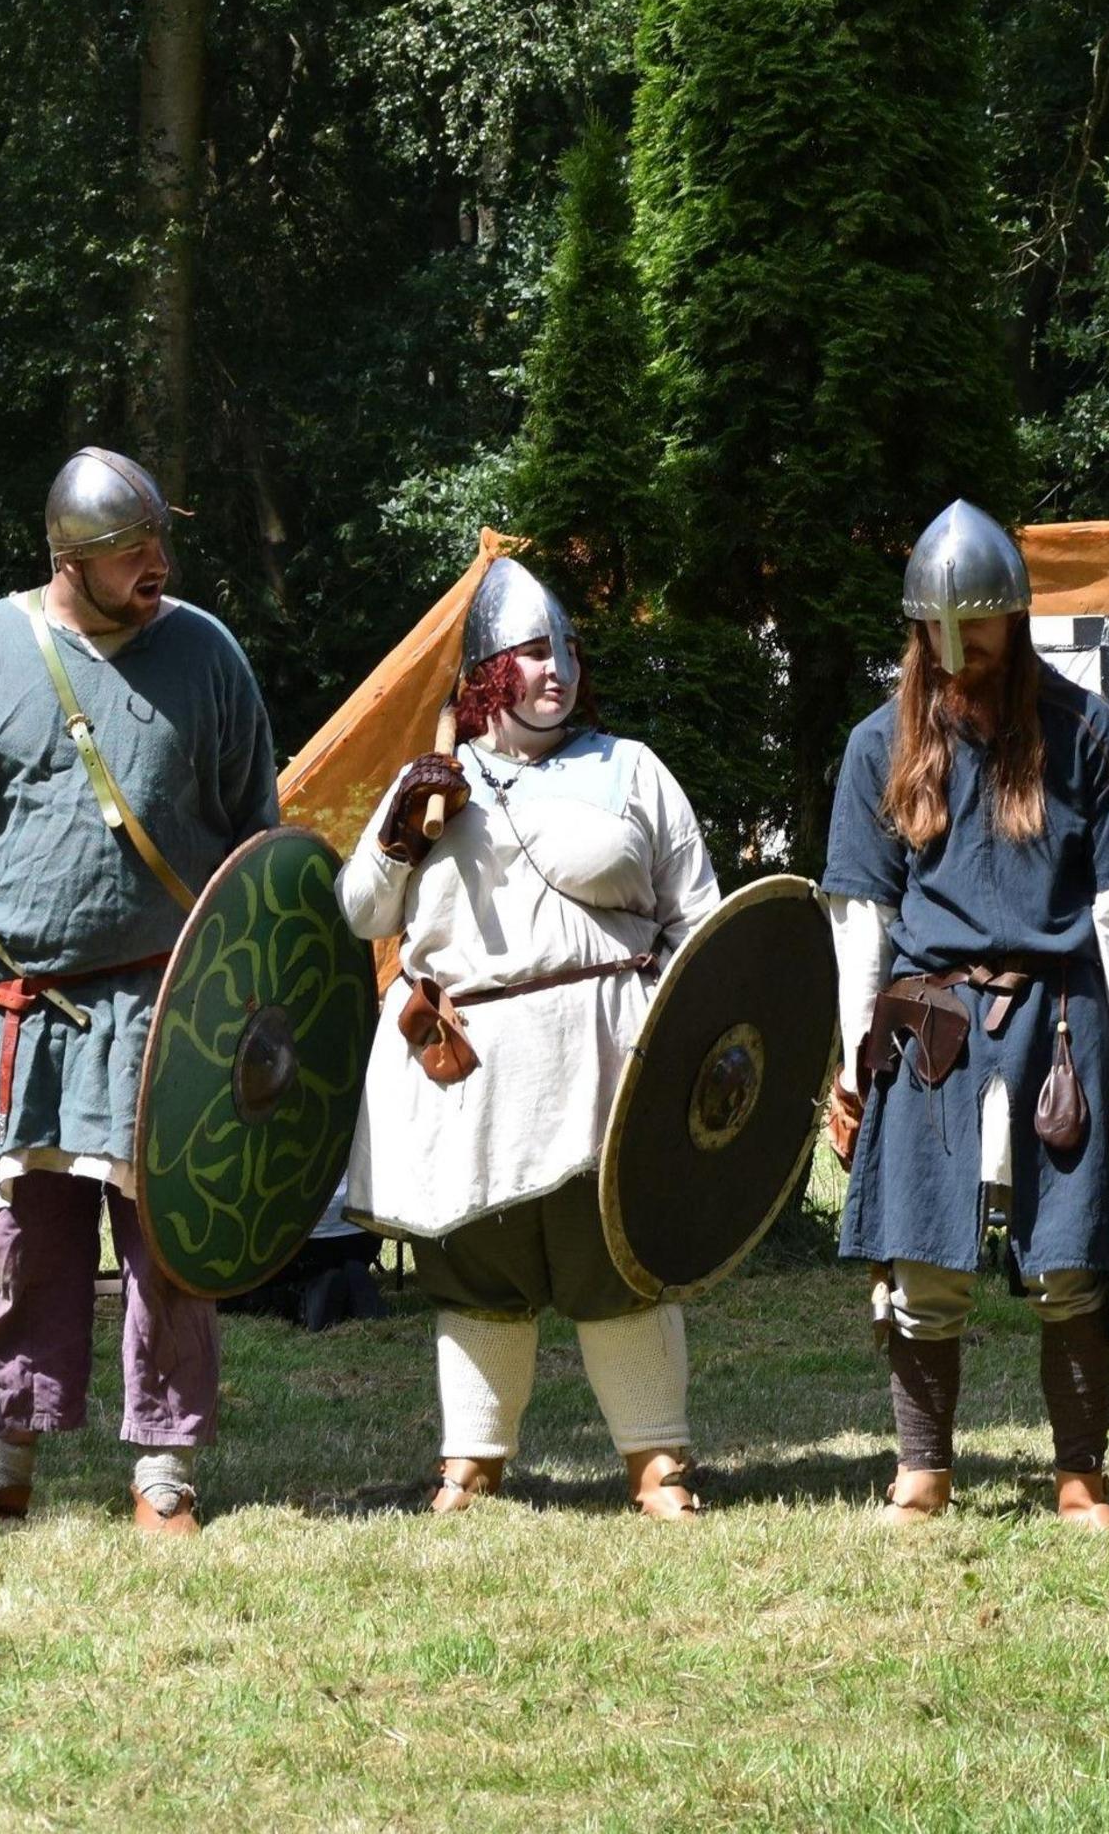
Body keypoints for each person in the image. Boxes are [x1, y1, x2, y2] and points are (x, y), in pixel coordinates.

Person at [0, 448, 280, 1533]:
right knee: (26, 1247)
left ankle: (165, 1475)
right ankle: (3, 1465)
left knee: (168, 1245)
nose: (157, 564)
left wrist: (268, 993)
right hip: (21, 1012)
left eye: (157, 543)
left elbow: (256, 842)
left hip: (165, 1006)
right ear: (69, 559)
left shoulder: (206, 654)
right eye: (127, 551)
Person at [338, 557, 722, 1517]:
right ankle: (471, 1461)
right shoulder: (431, 781)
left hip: (606, 1054)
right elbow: (358, 911)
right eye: (531, 653)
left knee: (617, 1254)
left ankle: (656, 1460)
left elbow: (702, 920)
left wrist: (684, 1043)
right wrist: (400, 835)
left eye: (565, 652)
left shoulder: (631, 768)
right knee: (479, 1262)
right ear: (486, 677)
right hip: (469, 1063)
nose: (556, 670)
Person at [828, 502, 1109, 1529]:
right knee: (926, 1255)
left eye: (979, 627)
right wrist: (849, 1063)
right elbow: (860, 915)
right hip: (929, 1021)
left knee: (1069, 1253)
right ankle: (922, 1470)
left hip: (1059, 1018)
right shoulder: (879, 743)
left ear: (1016, 618)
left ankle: (1079, 1475)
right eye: (941, 629)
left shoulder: (1082, 731)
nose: (961, 651)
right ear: (917, 627)